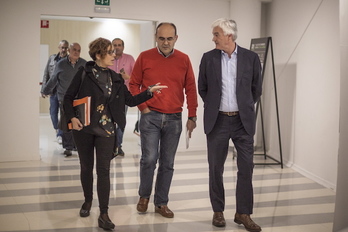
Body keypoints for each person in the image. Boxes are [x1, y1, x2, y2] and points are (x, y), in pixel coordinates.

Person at [63, 37, 167, 230]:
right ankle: (87, 201)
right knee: (86, 167)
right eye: (110, 52)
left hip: (107, 129)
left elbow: (129, 100)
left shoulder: (116, 77)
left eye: (114, 51)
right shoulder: (84, 72)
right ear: (98, 55)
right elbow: (67, 98)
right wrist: (72, 118)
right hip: (83, 128)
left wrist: (148, 92)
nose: (114, 54)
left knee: (103, 171)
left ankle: (104, 213)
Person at [198, 18, 262, 231]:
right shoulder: (208, 58)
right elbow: (203, 87)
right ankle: (218, 211)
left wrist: (242, 107)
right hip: (217, 121)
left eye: (216, 34)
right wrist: (216, 105)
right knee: (216, 168)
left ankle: (243, 213)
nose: (213, 38)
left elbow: (256, 89)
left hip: (243, 122)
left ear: (229, 36)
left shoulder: (251, 58)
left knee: (246, 168)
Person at [129, 22, 198, 218]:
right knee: (149, 159)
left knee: (167, 163)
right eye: (161, 38)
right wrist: (144, 107)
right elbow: (133, 84)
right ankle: (144, 197)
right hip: (150, 117)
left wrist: (192, 115)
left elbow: (191, 88)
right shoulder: (144, 57)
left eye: (169, 38)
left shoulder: (184, 59)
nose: (165, 42)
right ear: (156, 38)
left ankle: (161, 203)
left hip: (174, 118)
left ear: (176, 38)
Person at [42, 43, 87, 157]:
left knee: (79, 122)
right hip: (64, 98)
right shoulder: (61, 64)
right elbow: (53, 79)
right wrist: (45, 90)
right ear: (69, 50)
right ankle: (68, 147)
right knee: (67, 122)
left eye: (78, 50)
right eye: (74, 50)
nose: (76, 52)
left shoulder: (83, 63)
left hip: (79, 99)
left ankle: (76, 145)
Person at [108, 38, 136, 156]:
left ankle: (118, 145)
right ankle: (109, 145)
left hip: (124, 96)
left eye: (119, 45)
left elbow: (136, 77)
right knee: (109, 121)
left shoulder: (129, 59)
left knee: (121, 121)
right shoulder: (108, 58)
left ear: (123, 47)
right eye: (115, 45)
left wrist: (127, 77)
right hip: (109, 96)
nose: (117, 47)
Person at [40, 40, 69, 144]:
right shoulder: (52, 58)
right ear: (59, 47)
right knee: (53, 113)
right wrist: (44, 89)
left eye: (66, 47)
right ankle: (57, 129)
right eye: (62, 47)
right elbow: (46, 74)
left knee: (63, 113)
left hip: (64, 92)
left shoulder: (69, 61)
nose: (64, 49)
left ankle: (60, 134)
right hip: (53, 91)